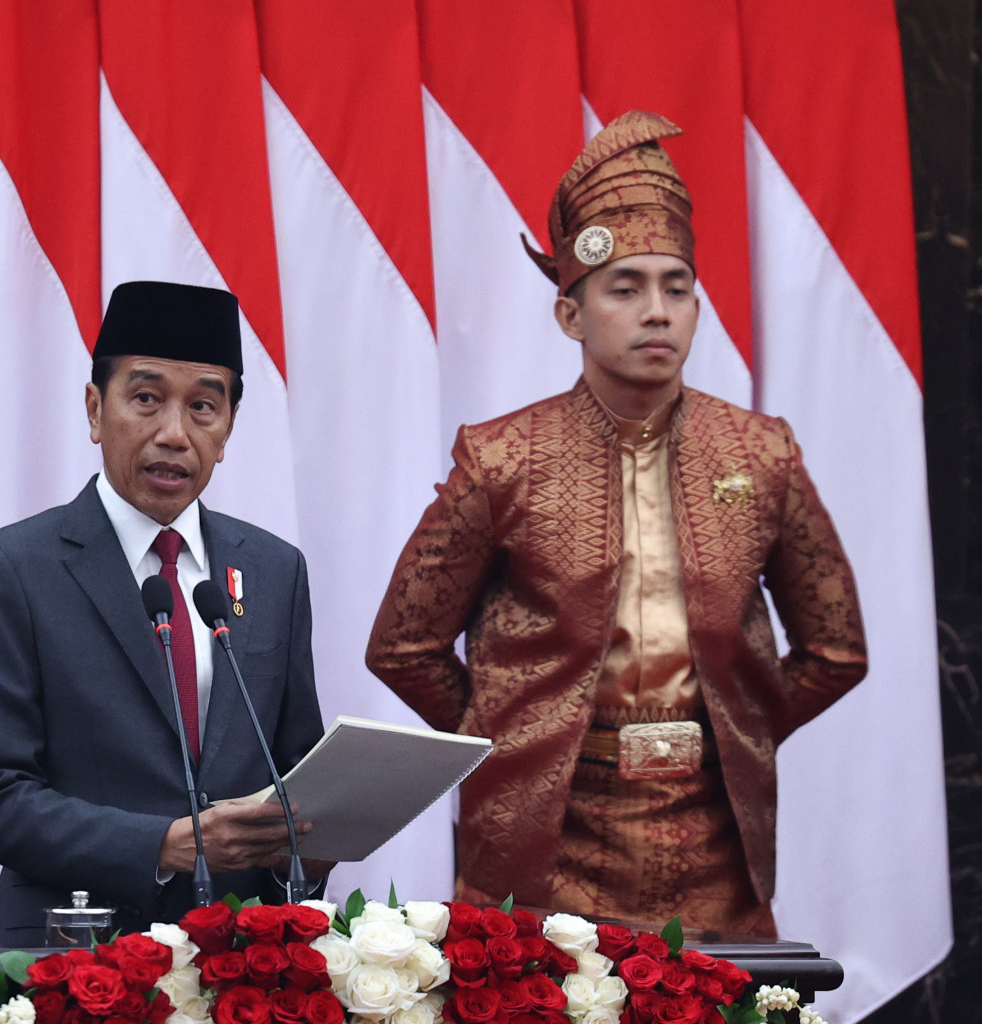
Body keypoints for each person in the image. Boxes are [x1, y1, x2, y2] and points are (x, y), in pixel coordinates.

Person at [365, 111, 867, 936]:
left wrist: (739, 723)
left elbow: (837, 649)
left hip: (713, 839)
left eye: (676, 287)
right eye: (625, 288)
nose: (657, 311)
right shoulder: (503, 458)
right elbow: (403, 647)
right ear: (572, 316)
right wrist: (509, 735)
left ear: (700, 309)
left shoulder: (761, 451)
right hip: (543, 842)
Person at [0, 281, 325, 945]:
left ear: (229, 428)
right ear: (96, 409)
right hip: (75, 951)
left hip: (243, 961)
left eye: (204, 407)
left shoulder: (274, 571)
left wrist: (315, 841)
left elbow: (294, 769)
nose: (175, 434)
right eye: (146, 399)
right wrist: (165, 844)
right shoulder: (13, 569)